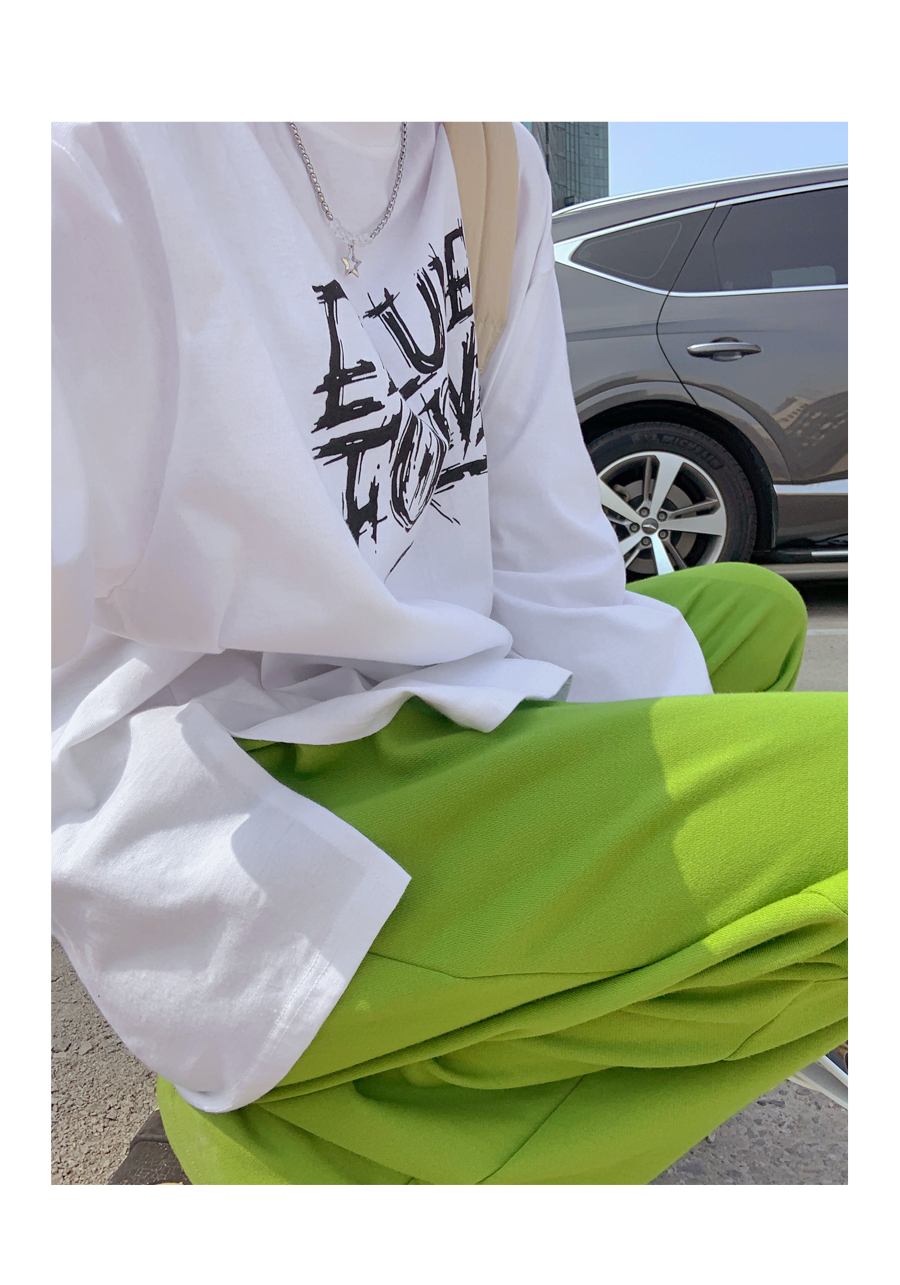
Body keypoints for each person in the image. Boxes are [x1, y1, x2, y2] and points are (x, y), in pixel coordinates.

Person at [52, 120, 847, 1185]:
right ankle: (319, 1127)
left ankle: (421, 1051)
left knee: (751, 614)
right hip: (244, 786)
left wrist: (676, 808)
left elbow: (551, 555)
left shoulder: (485, 156)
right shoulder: (93, 147)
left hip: (437, 697)